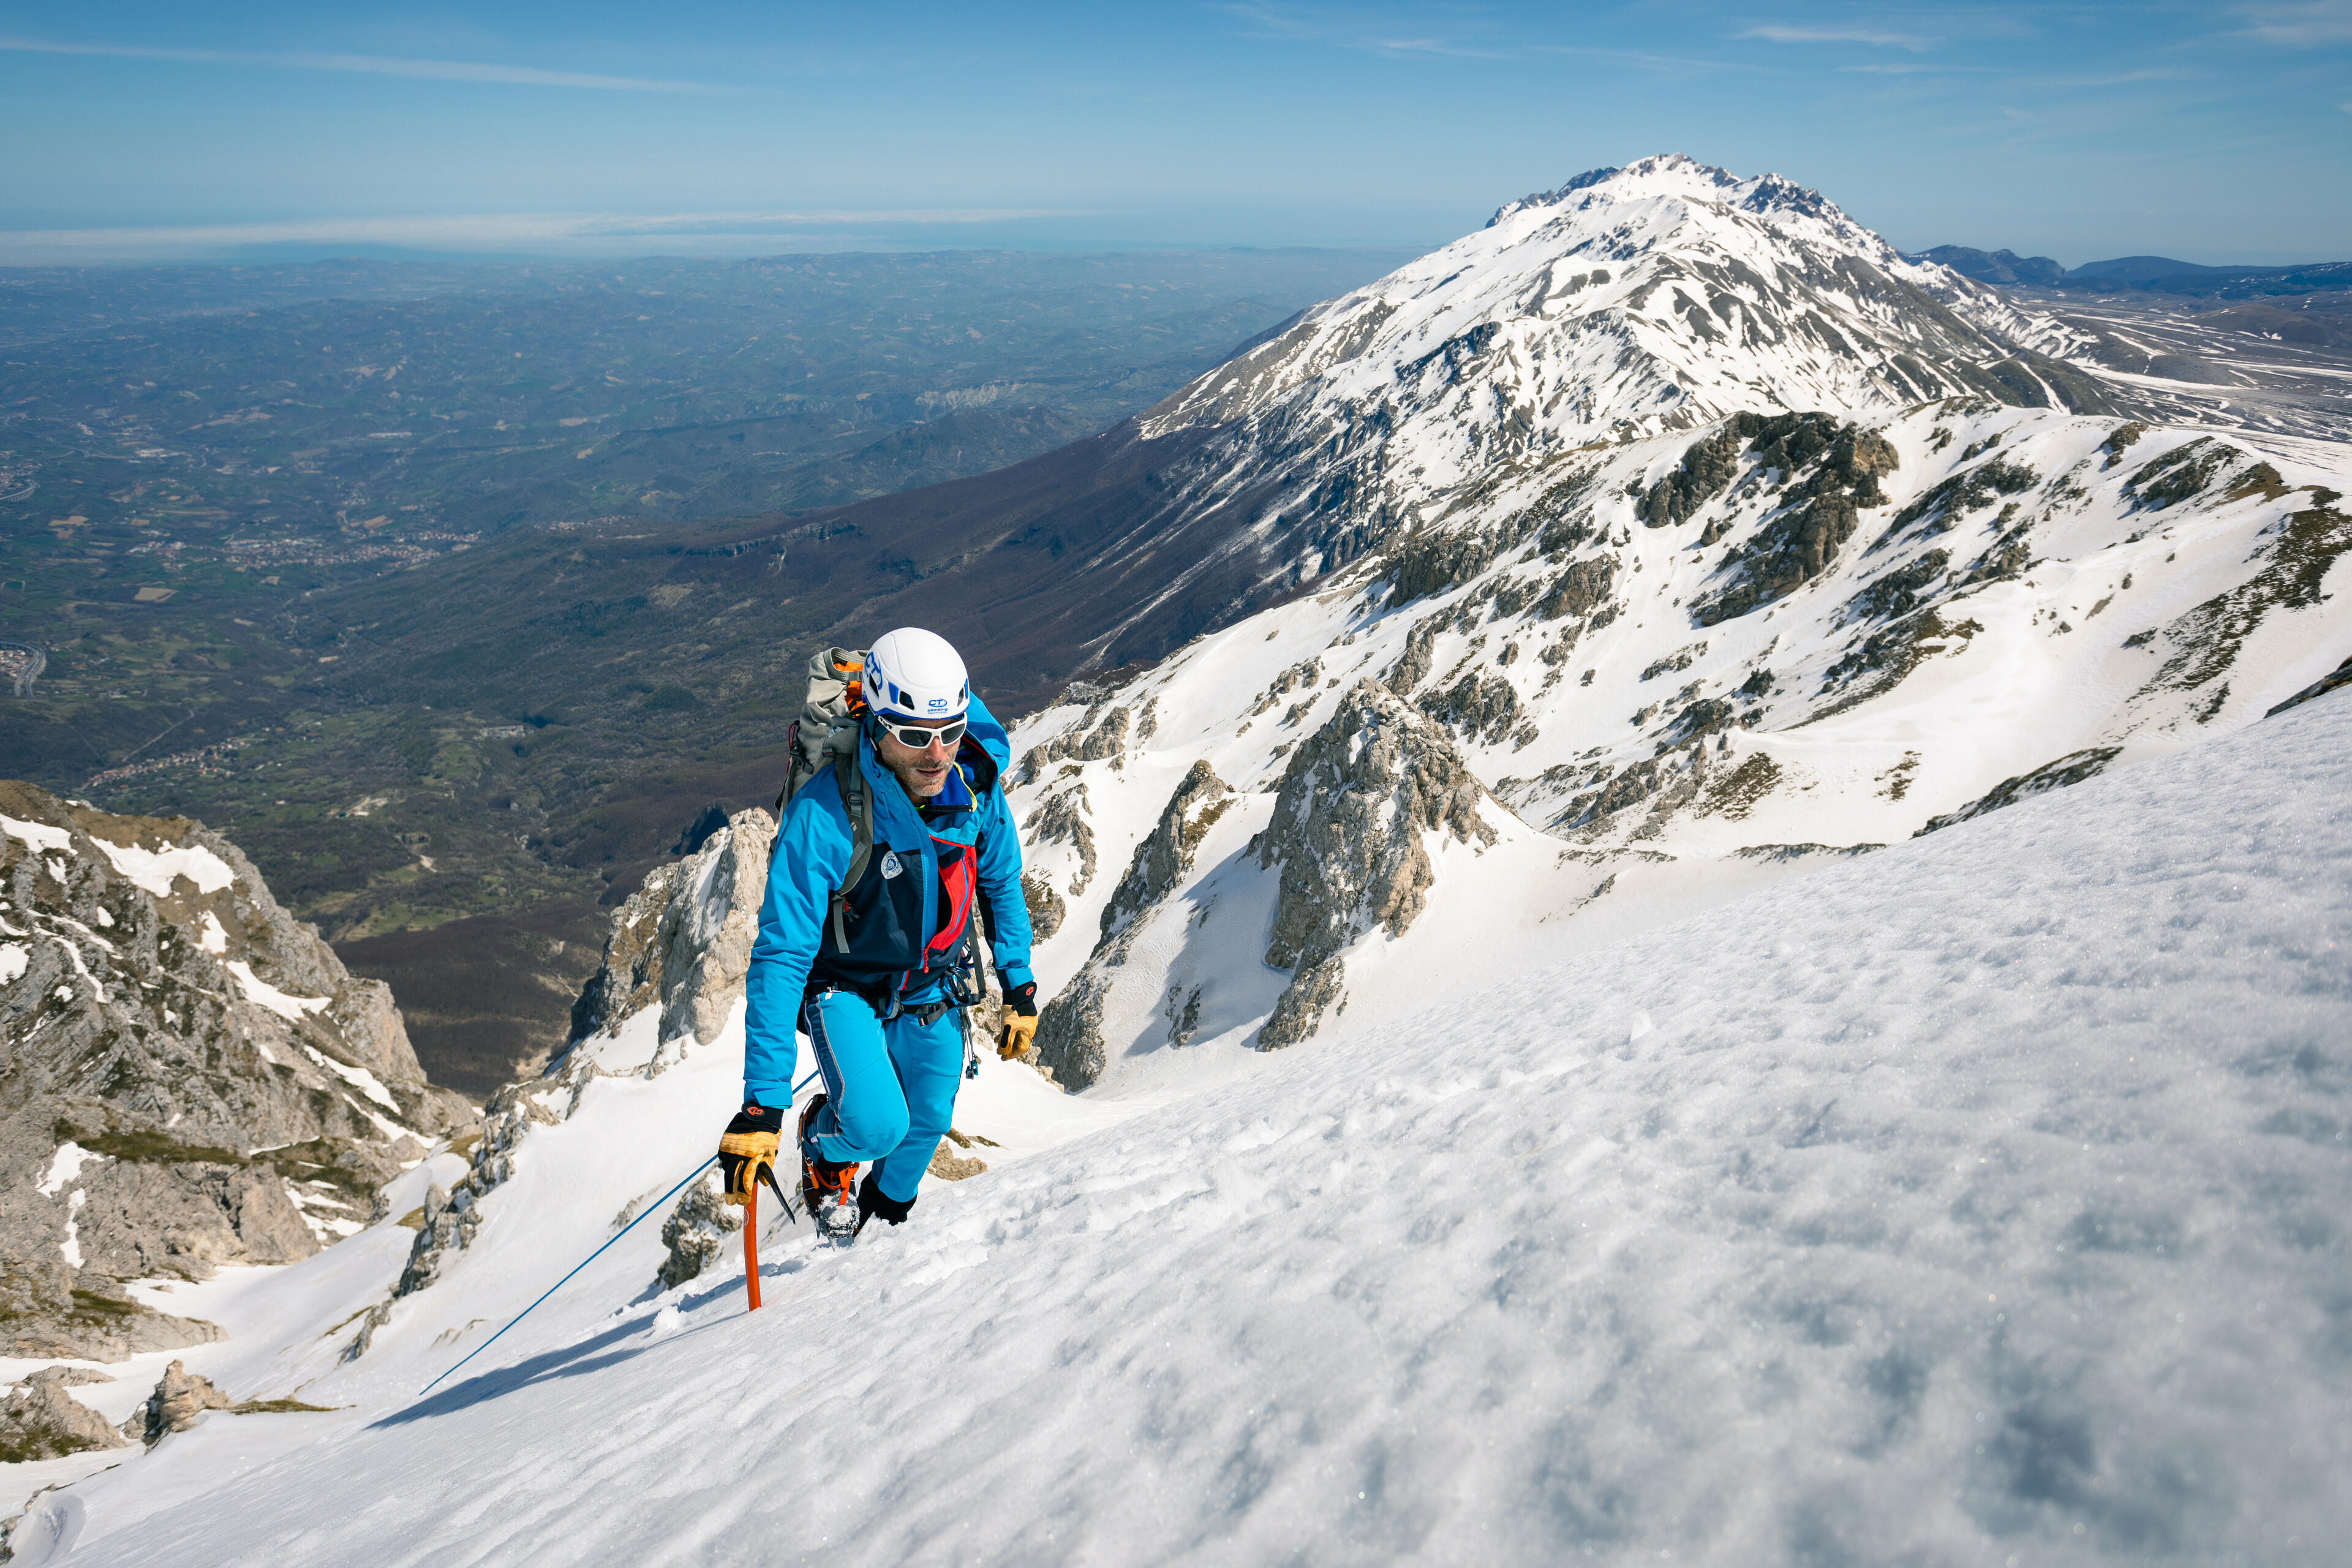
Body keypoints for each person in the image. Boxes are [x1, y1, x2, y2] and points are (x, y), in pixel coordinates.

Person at [716, 627, 1039, 1242]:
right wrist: (763, 1105)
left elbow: (1000, 881)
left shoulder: (975, 786)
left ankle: (880, 1233)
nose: (937, 754)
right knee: (878, 1125)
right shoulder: (826, 811)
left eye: (950, 732)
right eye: (914, 736)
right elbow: (782, 955)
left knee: (926, 1124)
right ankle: (825, 1148)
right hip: (847, 985)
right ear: (876, 724)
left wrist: (1018, 982)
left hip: (932, 985)